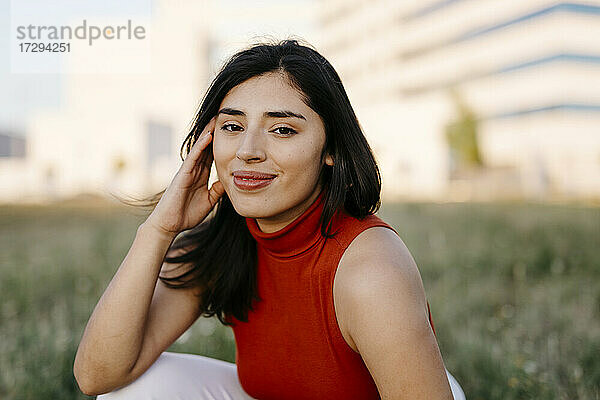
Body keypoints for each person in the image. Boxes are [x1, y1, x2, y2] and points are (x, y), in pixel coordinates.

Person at [73, 38, 465, 400]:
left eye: (281, 129)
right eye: (232, 126)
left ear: (331, 149)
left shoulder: (371, 270)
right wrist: (158, 229)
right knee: (139, 390)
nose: (248, 150)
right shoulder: (226, 241)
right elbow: (98, 376)